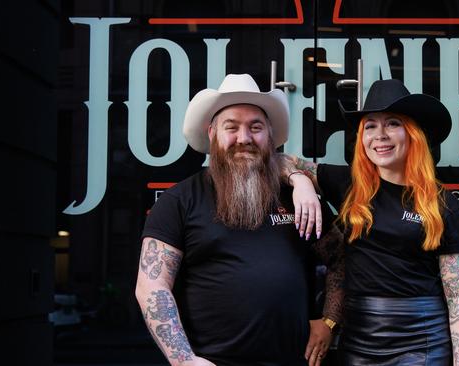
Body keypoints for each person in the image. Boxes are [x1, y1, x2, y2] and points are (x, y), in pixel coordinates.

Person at [135, 74, 344, 366]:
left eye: (255, 127)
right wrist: (184, 360)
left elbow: (340, 260)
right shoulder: (179, 201)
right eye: (231, 127)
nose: (244, 139)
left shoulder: (296, 197)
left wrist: (329, 321)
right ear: (212, 133)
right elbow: (152, 286)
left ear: (270, 136)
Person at [283, 79, 459, 365]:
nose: (379, 135)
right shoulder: (348, 184)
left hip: (421, 339)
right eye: (370, 126)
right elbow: (277, 160)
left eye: (392, 123)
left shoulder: (441, 203)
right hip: (359, 336)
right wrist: (300, 181)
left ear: (413, 135)